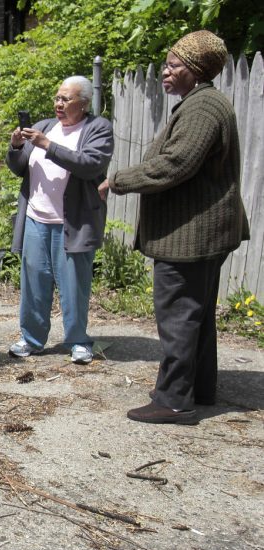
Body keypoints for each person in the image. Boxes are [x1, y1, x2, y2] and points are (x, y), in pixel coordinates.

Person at [98, 31, 250, 425]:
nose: (166, 72)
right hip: (201, 231)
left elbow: (175, 164)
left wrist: (117, 181)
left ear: (195, 70)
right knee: (195, 314)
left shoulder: (203, 109)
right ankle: (198, 389)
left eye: (173, 65)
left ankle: (174, 401)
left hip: (190, 234)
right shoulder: (202, 103)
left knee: (179, 316)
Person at [6, 76, 114, 365]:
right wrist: (16, 147)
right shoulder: (43, 127)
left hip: (73, 222)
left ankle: (78, 341)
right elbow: (19, 169)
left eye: (66, 99)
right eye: (57, 98)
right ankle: (31, 339)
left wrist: (48, 146)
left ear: (85, 103)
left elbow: (91, 166)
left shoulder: (97, 129)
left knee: (74, 285)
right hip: (36, 219)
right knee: (34, 282)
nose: (59, 104)